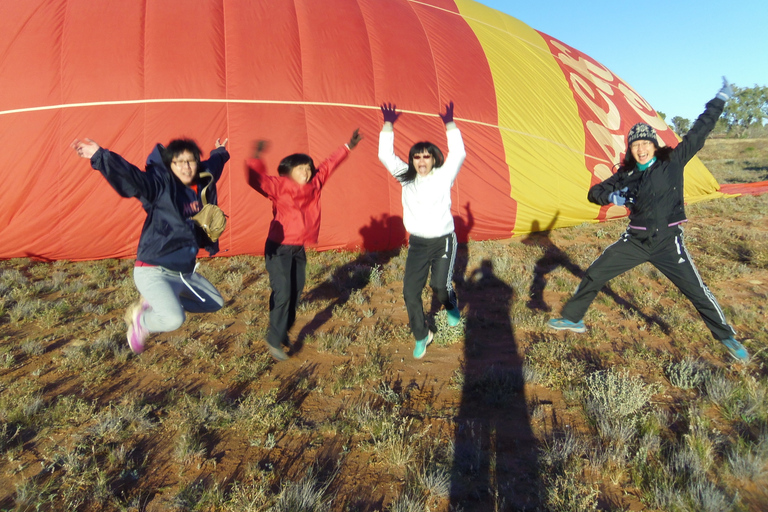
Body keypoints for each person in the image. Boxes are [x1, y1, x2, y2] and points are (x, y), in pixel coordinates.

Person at [547, 78, 749, 363]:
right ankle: (572, 318)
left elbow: (699, 132)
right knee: (595, 273)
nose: (641, 149)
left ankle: (727, 337)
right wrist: (613, 198)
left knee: (698, 292)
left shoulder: (672, 162)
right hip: (635, 242)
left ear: (654, 145)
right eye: (635, 145)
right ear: (630, 149)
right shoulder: (626, 174)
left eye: (645, 143)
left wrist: (719, 100)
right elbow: (595, 192)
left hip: (668, 243)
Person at [71, 137, 229, 354]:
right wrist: (100, 155)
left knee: (214, 303)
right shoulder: (159, 185)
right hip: (153, 269)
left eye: (190, 161)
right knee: (174, 319)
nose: (185, 166)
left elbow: (215, 164)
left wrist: (220, 151)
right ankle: (142, 320)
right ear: (170, 165)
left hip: (183, 273)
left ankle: (159, 300)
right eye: (178, 162)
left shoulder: (203, 178)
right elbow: (131, 178)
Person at [245, 130, 363, 361]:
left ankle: (282, 332)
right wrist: (256, 156)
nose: (307, 171)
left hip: (298, 248)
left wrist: (348, 146)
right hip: (278, 248)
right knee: (283, 293)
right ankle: (273, 338)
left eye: (308, 167)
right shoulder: (279, 185)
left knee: (295, 293)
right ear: (289, 172)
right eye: (301, 168)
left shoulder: (315, 184)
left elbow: (329, 164)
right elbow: (254, 179)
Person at [378, 102, 466, 359]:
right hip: (417, 243)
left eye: (426, 156)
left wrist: (449, 124)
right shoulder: (406, 176)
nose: (421, 161)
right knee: (410, 292)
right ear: (412, 160)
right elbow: (385, 155)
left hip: (443, 241)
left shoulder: (443, 175)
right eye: (417, 156)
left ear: (434, 158)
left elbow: (458, 153)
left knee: (440, 285)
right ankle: (422, 335)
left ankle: (450, 306)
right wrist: (388, 125)